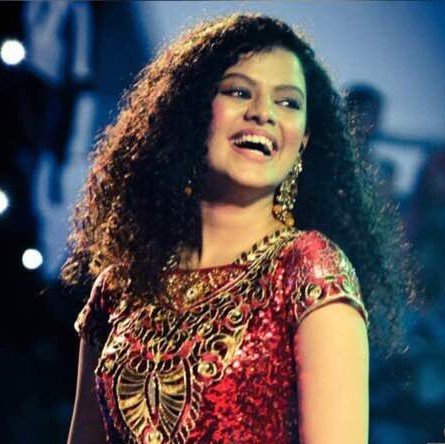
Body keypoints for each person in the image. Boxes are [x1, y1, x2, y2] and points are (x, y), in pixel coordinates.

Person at [63, 13, 418, 444]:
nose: (263, 113)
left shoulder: (307, 268)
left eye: (288, 102)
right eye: (238, 92)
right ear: (191, 113)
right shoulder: (121, 286)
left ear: (304, 140)